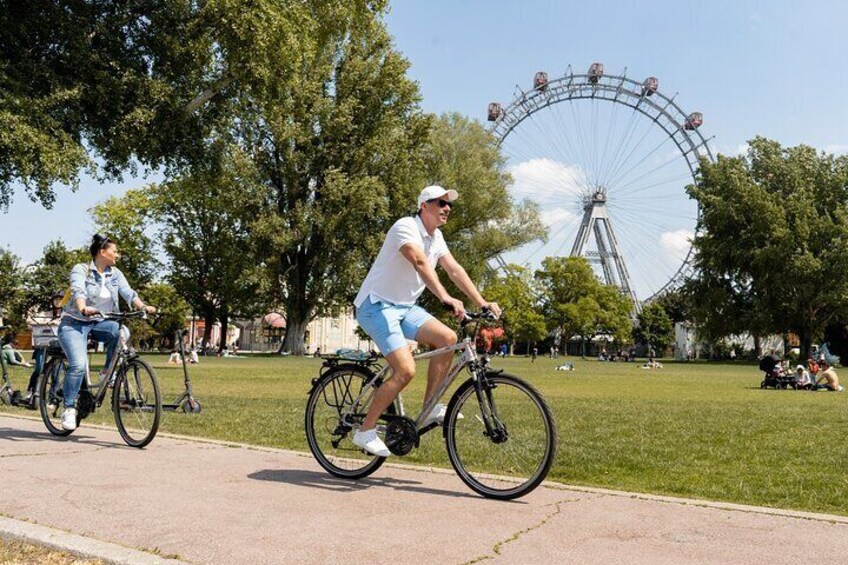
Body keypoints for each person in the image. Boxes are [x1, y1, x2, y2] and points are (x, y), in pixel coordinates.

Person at [351, 185, 501, 456]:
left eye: (450, 204)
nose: (447, 208)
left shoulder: (437, 237)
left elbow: (454, 270)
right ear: (424, 206)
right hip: (376, 305)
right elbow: (419, 262)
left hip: (405, 307)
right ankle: (365, 431)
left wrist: (481, 302)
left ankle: (430, 407)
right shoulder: (405, 227)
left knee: (447, 339)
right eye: (441, 202)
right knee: (406, 371)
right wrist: (445, 297)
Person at [57, 234, 156, 431]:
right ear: (102, 252)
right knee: (77, 365)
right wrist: (83, 307)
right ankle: (69, 408)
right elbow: (78, 291)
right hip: (75, 323)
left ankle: (106, 373)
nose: (117, 255)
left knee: (121, 331)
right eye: (115, 251)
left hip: (100, 322)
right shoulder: (81, 269)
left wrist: (143, 306)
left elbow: (128, 293)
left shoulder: (115, 273)